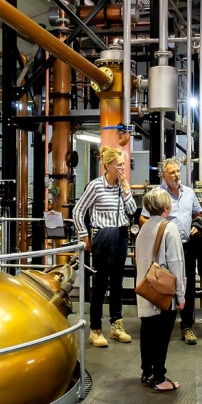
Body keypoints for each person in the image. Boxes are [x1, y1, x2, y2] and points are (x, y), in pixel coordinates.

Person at [72, 146, 137, 348]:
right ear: (107, 166)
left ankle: (116, 325)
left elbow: (132, 210)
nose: (122, 168)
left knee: (117, 282)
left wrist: (126, 189)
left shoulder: (122, 186)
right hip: (103, 235)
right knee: (100, 284)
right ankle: (95, 329)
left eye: (123, 164)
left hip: (121, 234)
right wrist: (84, 235)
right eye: (119, 165)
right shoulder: (96, 186)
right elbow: (78, 211)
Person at [140, 158, 202, 345]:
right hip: (164, 247)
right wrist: (161, 230)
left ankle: (187, 326)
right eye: (172, 172)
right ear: (163, 175)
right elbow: (143, 219)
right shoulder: (157, 195)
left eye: (178, 171)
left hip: (186, 246)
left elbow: (197, 215)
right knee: (162, 283)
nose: (176, 175)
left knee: (187, 285)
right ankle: (160, 319)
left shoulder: (189, 193)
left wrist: (197, 226)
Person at [135, 188, 186, 392]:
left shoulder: (144, 228)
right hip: (163, 292)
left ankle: (147, 372)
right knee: (162, 336)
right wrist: (180, 295)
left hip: (145, 289)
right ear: (167, 207)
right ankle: (159, 378)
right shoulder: (169, 228)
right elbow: (176, 263)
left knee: (147, 332)